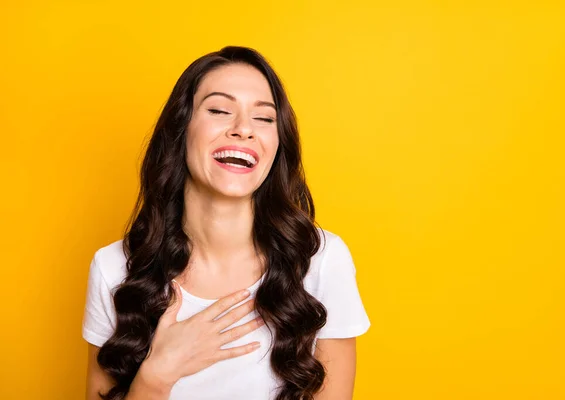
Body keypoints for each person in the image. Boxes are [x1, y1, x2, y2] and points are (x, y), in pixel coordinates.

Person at [82, 46, 371, 400]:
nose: (243, 129)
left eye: (264, 119)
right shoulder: (114, 269)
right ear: (180, 129)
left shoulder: (322, 261)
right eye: (219, 110)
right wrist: (158, 373)